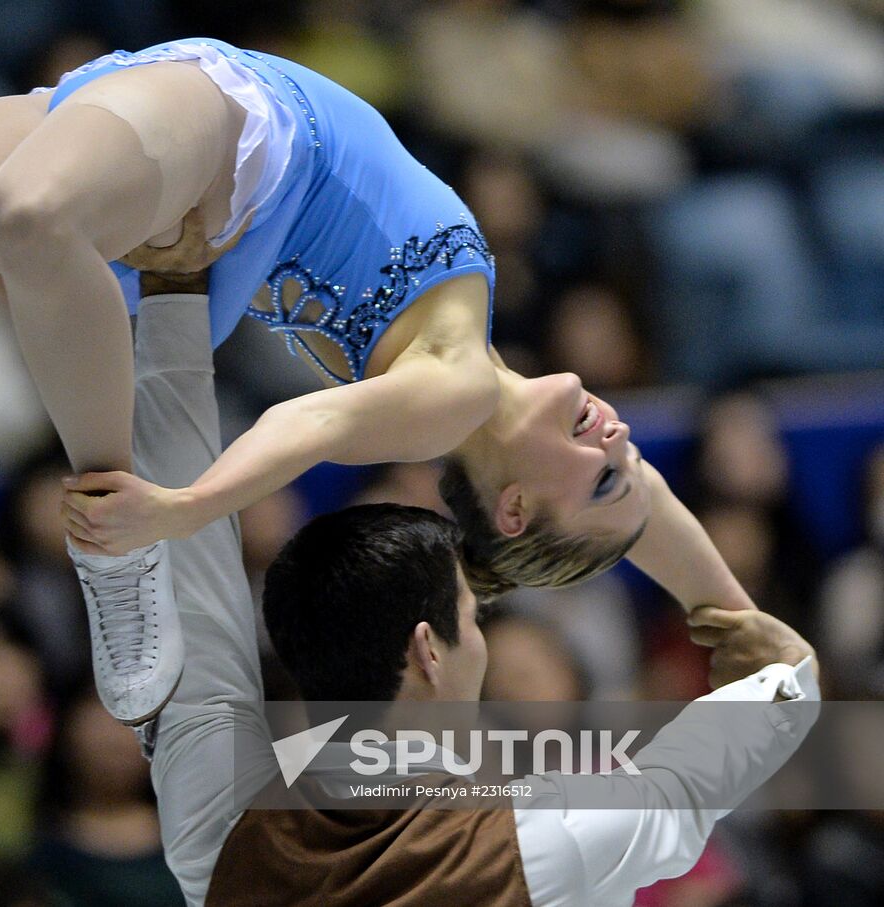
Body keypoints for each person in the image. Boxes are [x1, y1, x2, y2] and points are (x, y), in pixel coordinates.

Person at [0, 37, 752, 728]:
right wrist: (732, 621)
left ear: (516, 509)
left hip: (244, 138)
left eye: (602, 467)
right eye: (628, 453)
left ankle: (111, 544)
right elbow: (653, 521)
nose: (617, 432)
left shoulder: (452, 391)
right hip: (175, 116)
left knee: (26, 209)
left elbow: (305, 423)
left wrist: (175, 510)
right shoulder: (494, 375)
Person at [97, 291, 818, 905]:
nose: (486, 640)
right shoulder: (533, 842)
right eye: (473, 619)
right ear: (426, 649)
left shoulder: (226, 825)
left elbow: (190, 572)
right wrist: (751, 635)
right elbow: (752, 725)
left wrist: (169, 295)